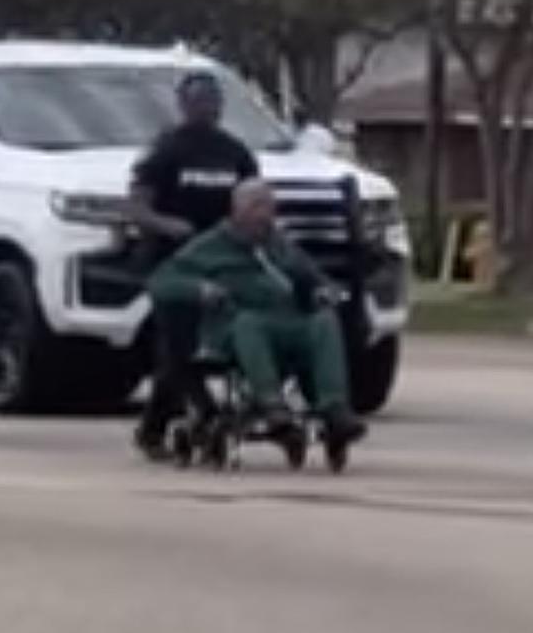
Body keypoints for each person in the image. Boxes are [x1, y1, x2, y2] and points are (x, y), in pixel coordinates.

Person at [148, 180, 368, 452]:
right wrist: (200, 289)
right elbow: (161, 282)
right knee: (249, 324)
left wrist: (325, 291)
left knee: (324, 321)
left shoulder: (280, 246)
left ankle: (335, 408)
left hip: (287, 321)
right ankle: (271, 403)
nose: (263, 215)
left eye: (269, 208)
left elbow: (315, 278)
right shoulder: (209, 246)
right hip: (235, 326)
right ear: (236, 210)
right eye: (256, 207)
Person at [130, 72, 260, 460]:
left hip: (220, 262)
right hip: (171, 264)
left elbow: (253, 202)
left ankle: (156, 427)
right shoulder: (165, 151)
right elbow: (136, 207)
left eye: (212, 100)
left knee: (203, 350)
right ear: (183, 105)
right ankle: (200, 412)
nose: (206, 107)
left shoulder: (236, 153)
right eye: (198, 100)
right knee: (178, 345)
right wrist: (167, 225)